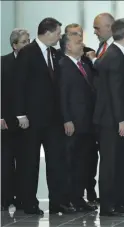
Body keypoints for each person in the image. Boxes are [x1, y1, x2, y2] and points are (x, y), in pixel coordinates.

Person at [14, 17, 75, 214]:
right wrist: (20, 114)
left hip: (54, 120)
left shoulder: (56, 54)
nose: (60, 36)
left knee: (57, 162)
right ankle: (29, 202)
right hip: (31, 119)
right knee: (30, 162)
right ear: (48, 32)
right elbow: (19, 85)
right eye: (58, 32)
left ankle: (58, 201)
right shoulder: (27, 52)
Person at [92, 18, 124, 216]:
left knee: (117, 161)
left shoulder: (113, 53)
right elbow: (115, 91)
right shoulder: (116, 55)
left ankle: (116, 202)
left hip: (111, 118)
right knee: (110, 163)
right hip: (111, 120)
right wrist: (121, 120)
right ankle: (108, 205)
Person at [59, 33, 97, 212]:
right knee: (71, 162)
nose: (82, 45)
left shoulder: (84, 64)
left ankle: (79, 198)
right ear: (67, 46)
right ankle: (69, 198)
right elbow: (62, 95)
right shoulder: (63, 65)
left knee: (84, 162)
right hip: (73, 123)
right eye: (78, 42)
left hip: (88, 123)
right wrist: (67, 119)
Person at [1, 28, 30, 211]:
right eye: (24, 42)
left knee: (25, 161)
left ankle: (22, 198)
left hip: (28, 122)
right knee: (6, 161)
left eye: (29, 41)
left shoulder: (33, 62)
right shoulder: (3, 62)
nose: (28, 45)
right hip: (7, 121)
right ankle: (5, 197)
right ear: (14, 45)